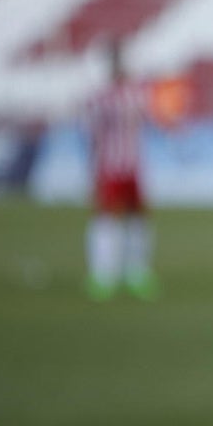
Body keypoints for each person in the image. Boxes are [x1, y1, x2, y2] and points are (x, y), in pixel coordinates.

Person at [81, 39, 159, 302]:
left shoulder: (136, 94)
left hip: (133, 165)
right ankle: (103, 275)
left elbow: (152, 119)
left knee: (138, 217)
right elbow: (90, 133)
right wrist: (92, 168)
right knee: (107, 217)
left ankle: (137, 273)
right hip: (110, 166)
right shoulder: (100, 98)